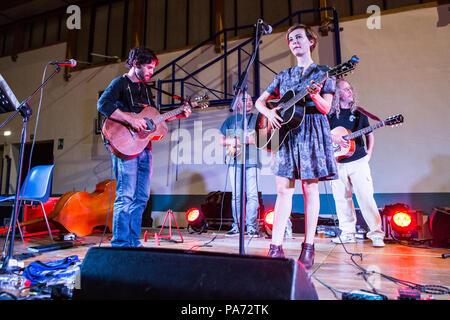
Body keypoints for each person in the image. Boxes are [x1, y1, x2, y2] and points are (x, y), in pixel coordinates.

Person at [254, 24, 338, 269]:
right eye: (291, 39)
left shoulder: (324, 72)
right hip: (287, 133)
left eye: (299, 37)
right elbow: (260, 102)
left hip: (312, 129)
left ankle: (308, 246)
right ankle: (275, 247)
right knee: (283, 190)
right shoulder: (283, 75)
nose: (294, 42)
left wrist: (313, 95)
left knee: (310, 190)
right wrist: (269, 114)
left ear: (311, 41)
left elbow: (326, 109)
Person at [97, 47, 191, 247]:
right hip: (124, 147)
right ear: (135, 64)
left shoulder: (146, 90)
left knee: (141, 197)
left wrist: (177, 114)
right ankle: (121, 243)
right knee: (126, 194)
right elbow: (103, 104)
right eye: (148, 67)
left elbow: (152, 120)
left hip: (144, 148)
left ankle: (132, 241)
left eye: (153, 68)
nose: (151, 72)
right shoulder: (120, 83)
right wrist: (129, 120)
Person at [328, 79, 385, 247]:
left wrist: (370, 152)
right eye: (345, 90)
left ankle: (376, 234)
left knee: (366, 197)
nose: (350, 91)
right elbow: (324, 134)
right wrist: (335, 138)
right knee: (341, 198)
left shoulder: (359, 113)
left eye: (349, 88)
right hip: (336, 162)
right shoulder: (329, 115)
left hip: (358, 160)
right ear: (337, 94)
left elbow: (370, 134)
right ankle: (347, 233)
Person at [219, 92, 260, 237]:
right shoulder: (230, 120)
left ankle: (251, 226)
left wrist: (250, 140)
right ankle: (237, 226)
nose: (248, 102)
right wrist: (233, 141)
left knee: (252, 195)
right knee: (236, 195)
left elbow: (265, 138)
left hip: (252, 161)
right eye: (245, 100)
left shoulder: (257, 119)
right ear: (238, 104)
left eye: (250, 99)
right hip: (234, 161)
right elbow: (221, 140)